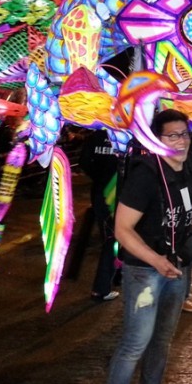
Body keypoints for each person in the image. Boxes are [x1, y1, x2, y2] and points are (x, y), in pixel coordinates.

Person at [90, 109, 192, 384]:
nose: (182, 141)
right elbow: (122, 230)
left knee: (161, 341)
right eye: (173, 135)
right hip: (145, 272)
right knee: (133, 345)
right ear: (157, 139)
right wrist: (156, 261)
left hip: (178, 269)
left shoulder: (190, 167)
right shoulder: (145, 175)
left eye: (185, 133)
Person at [79, 129, 122, 303]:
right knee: (112, 240)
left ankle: (117, 277)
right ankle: (101, 289)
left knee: (114, 238)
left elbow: (84, 162)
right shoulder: (126, 135)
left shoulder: (94, 137)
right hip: (118, 194)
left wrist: (99, 177)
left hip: (100, 193)